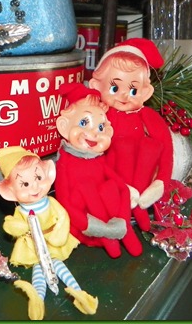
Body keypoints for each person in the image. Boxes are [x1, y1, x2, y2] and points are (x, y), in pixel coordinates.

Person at [0, 146, 98, 320]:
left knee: (57, 265)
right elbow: (11, 225)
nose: (35, 186)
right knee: (39, 269)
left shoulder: (51, 202)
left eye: (38, 178)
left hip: (52, 241)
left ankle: (79, 293)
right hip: (33, 246)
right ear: (9, 191)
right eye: (25, 184)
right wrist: (19, 227)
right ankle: (37, 299)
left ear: (48, 173)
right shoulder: (21, 211)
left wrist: (58, 236)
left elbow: (62, 217)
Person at [88, 38, 173, 231]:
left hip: (142, 185)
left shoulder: (148, 117)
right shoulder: (96, 115)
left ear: (146, 92)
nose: (124, 95)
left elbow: (166, 152)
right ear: (96, 86)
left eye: (133, 90)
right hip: (108, 188)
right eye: (115, 88)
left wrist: (161, 182)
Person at [55, 83, 143, 258]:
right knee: (86, 188)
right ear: (64, 126)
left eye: (100, 127)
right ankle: (112, 238)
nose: (94, 133)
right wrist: (94, 226)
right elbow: (65, 202)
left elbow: (122, 188)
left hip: (112, 220)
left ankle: (122, 235)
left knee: (110, 187)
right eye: (84, 123)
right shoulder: (65, 163)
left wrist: (122, 220)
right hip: (84, 225)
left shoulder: (99, 160)